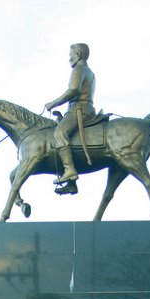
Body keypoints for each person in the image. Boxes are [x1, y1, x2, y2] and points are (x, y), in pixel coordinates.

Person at [44, 43, 97, 189]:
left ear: (78, 54)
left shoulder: (79, 69)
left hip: (78, 110)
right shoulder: (90, 72)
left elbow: (73, 90)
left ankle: (69, 169)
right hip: (85, 109)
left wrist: (53, 103)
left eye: (70, 55)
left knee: (60, 133)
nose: (69, 59)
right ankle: (71, 184)